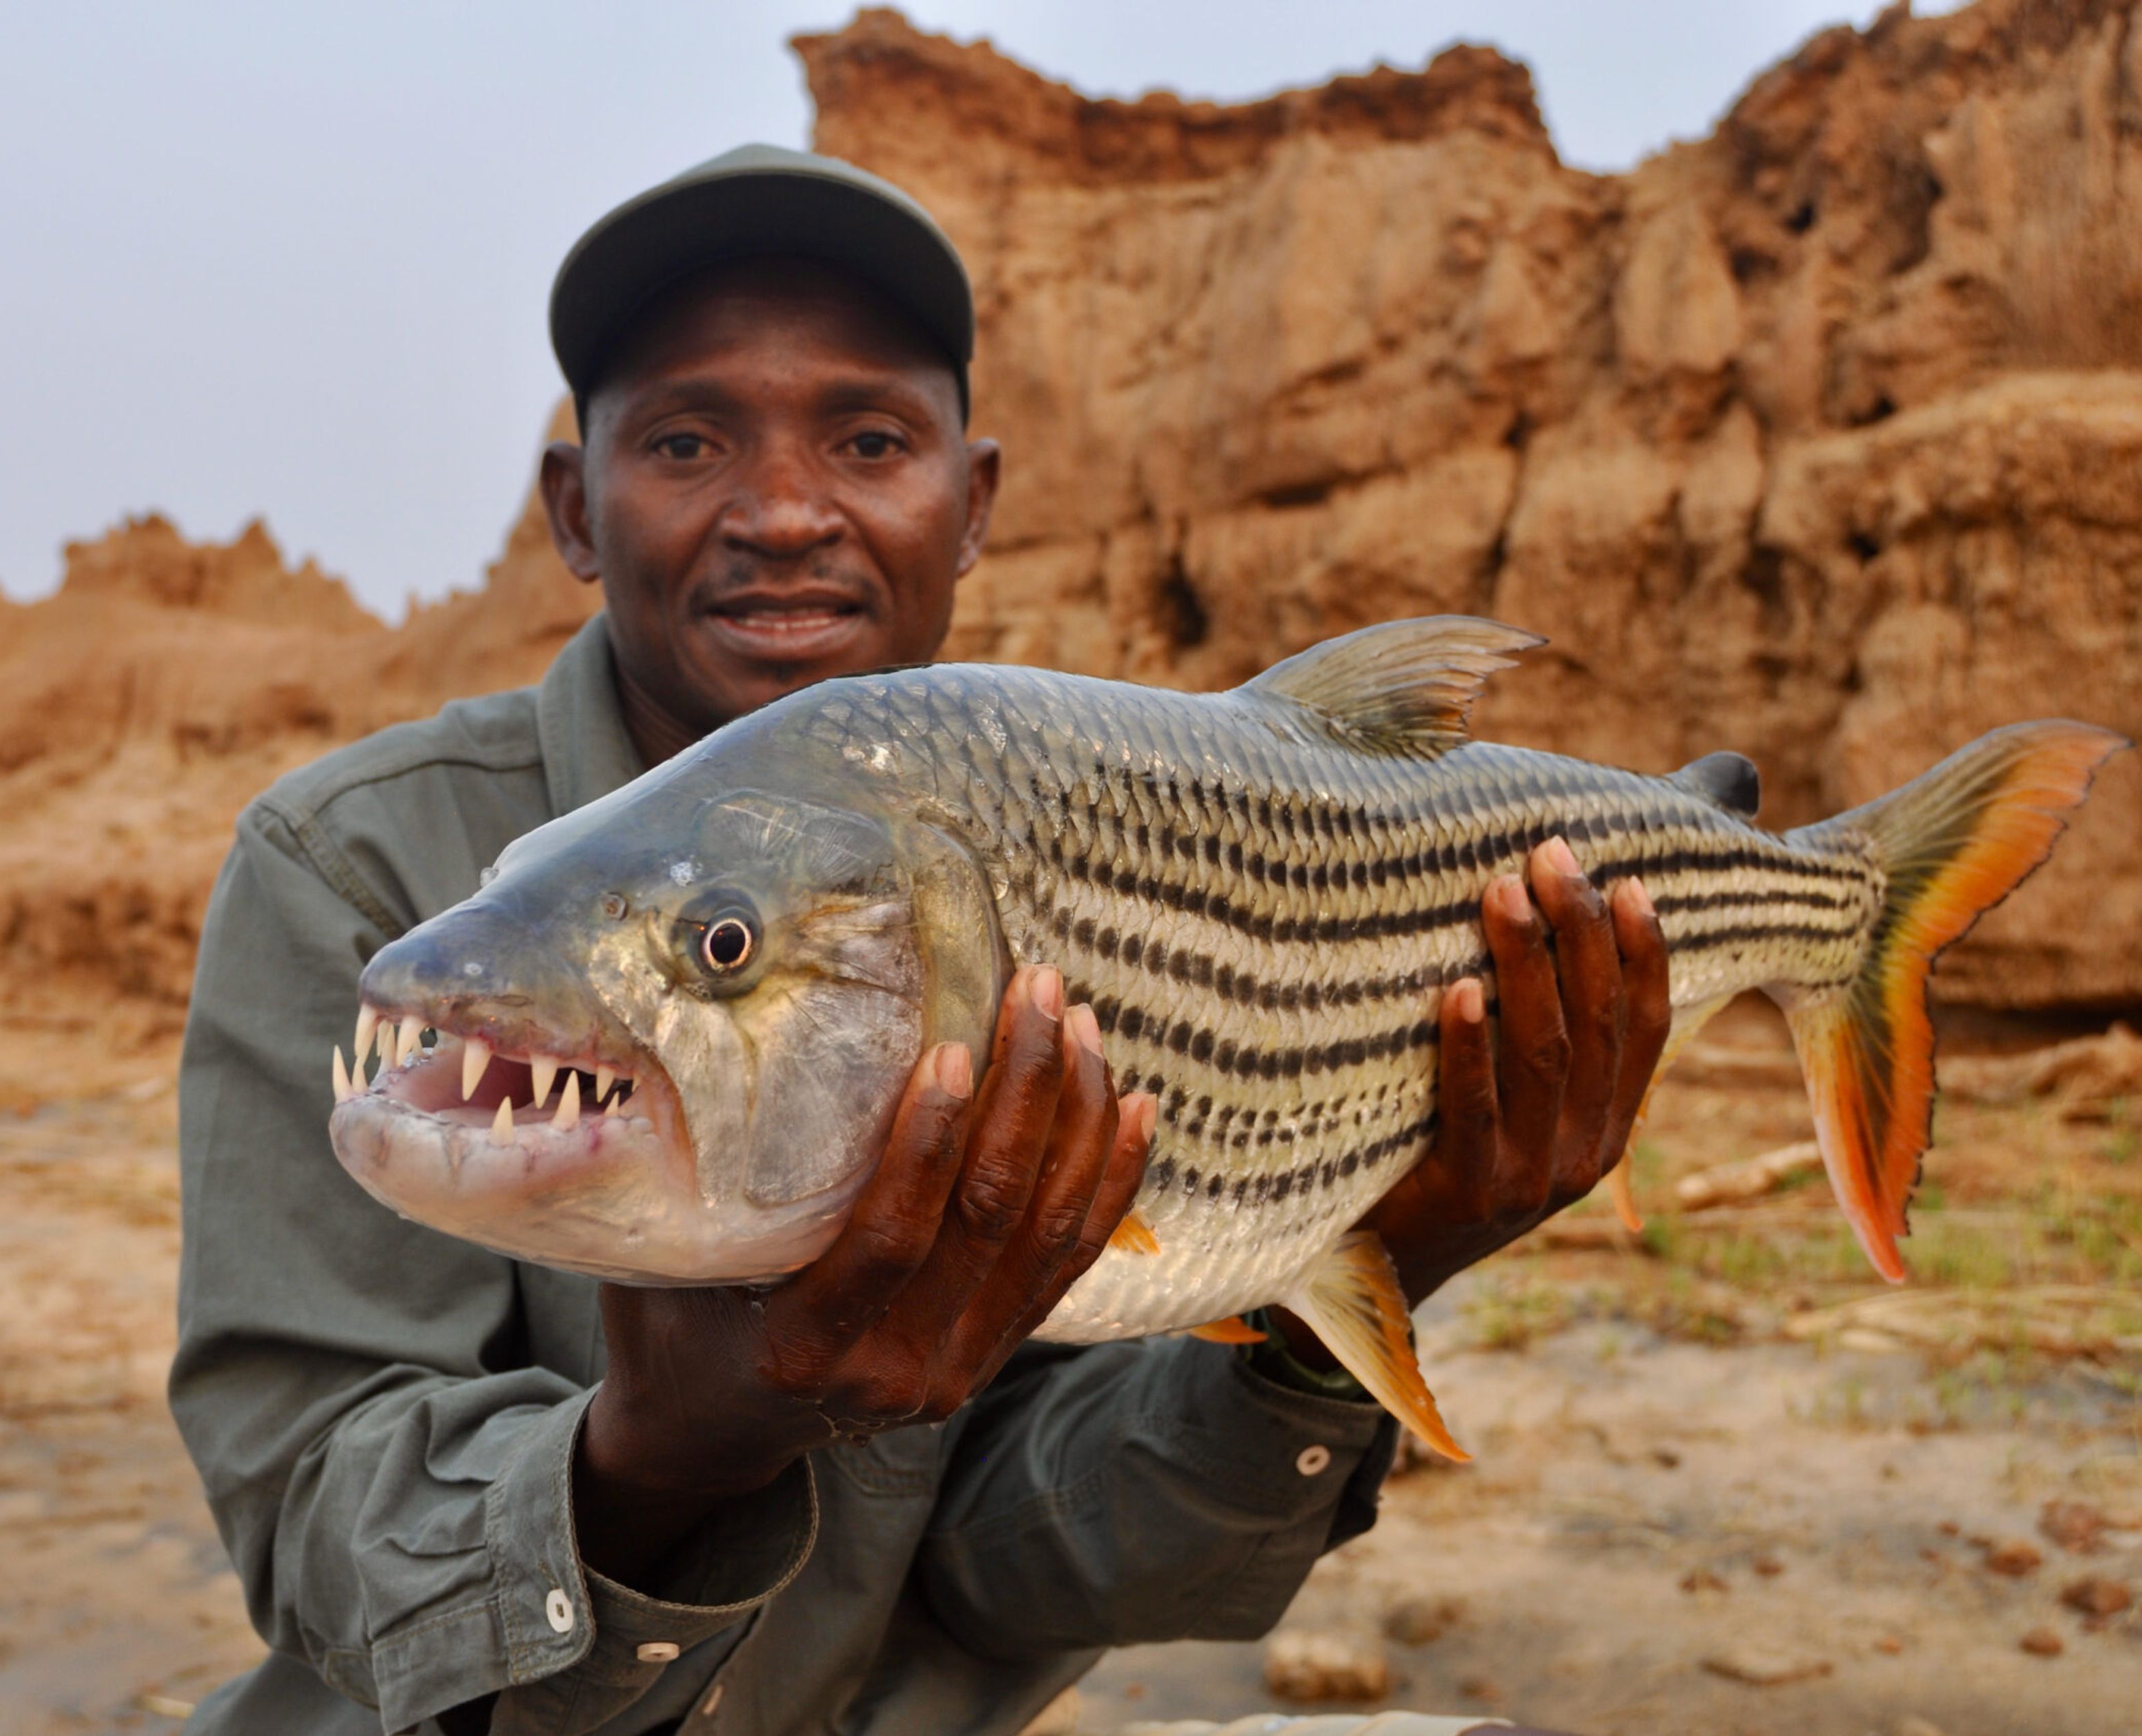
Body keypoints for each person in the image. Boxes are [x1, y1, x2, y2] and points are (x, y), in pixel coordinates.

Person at [170, 144, 1669, 1736]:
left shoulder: (1064, 849)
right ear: (575, 508)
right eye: (686, 439)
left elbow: (1021, 1568)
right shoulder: (352, 868)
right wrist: (659, 1450)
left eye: (871, 440)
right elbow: (312, 1520)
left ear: (974, 505)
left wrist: (1366, 1273)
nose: (785, 514)